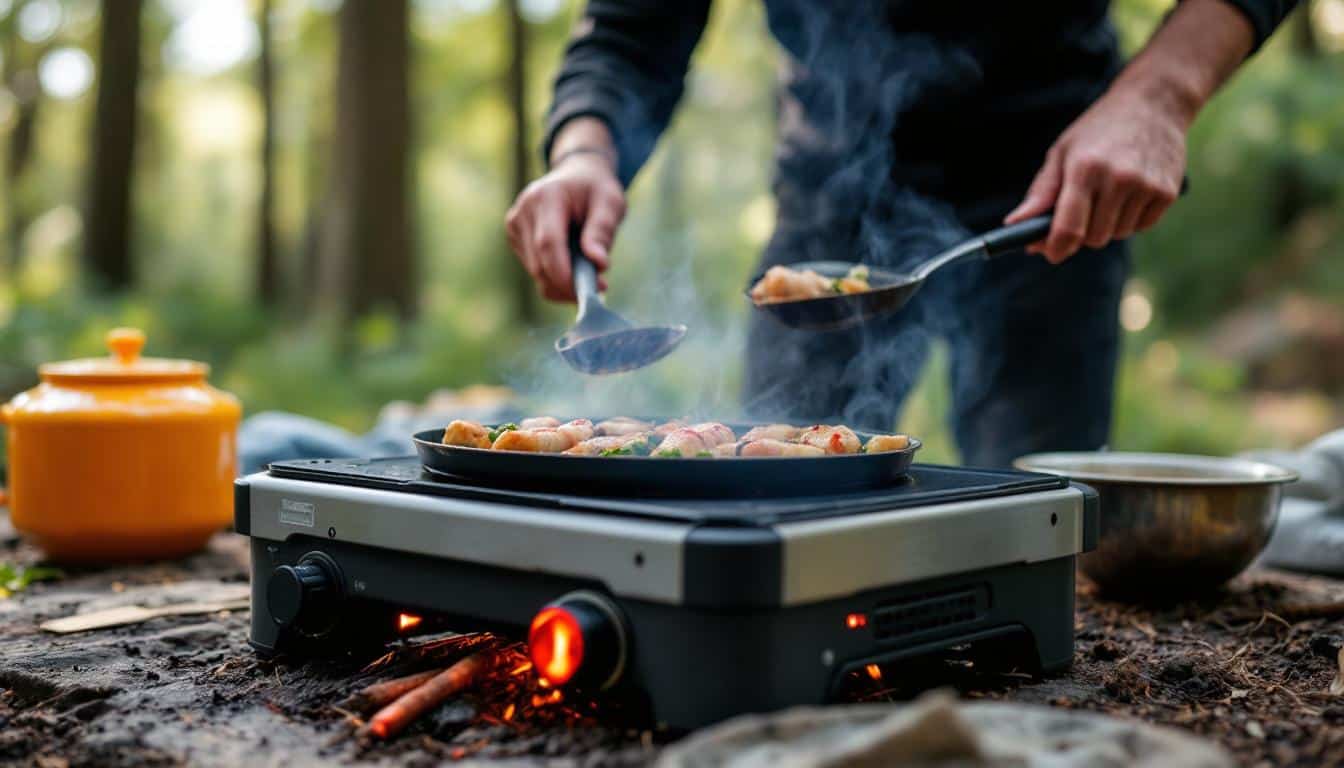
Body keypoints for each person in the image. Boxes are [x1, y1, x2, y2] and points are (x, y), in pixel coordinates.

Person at [505, 0, 1295, 467]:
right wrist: (583, 153)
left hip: (1056, 185)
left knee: (1034, 517)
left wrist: (1159, 97)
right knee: (771, 492)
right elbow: (631, 26)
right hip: (827, 205)